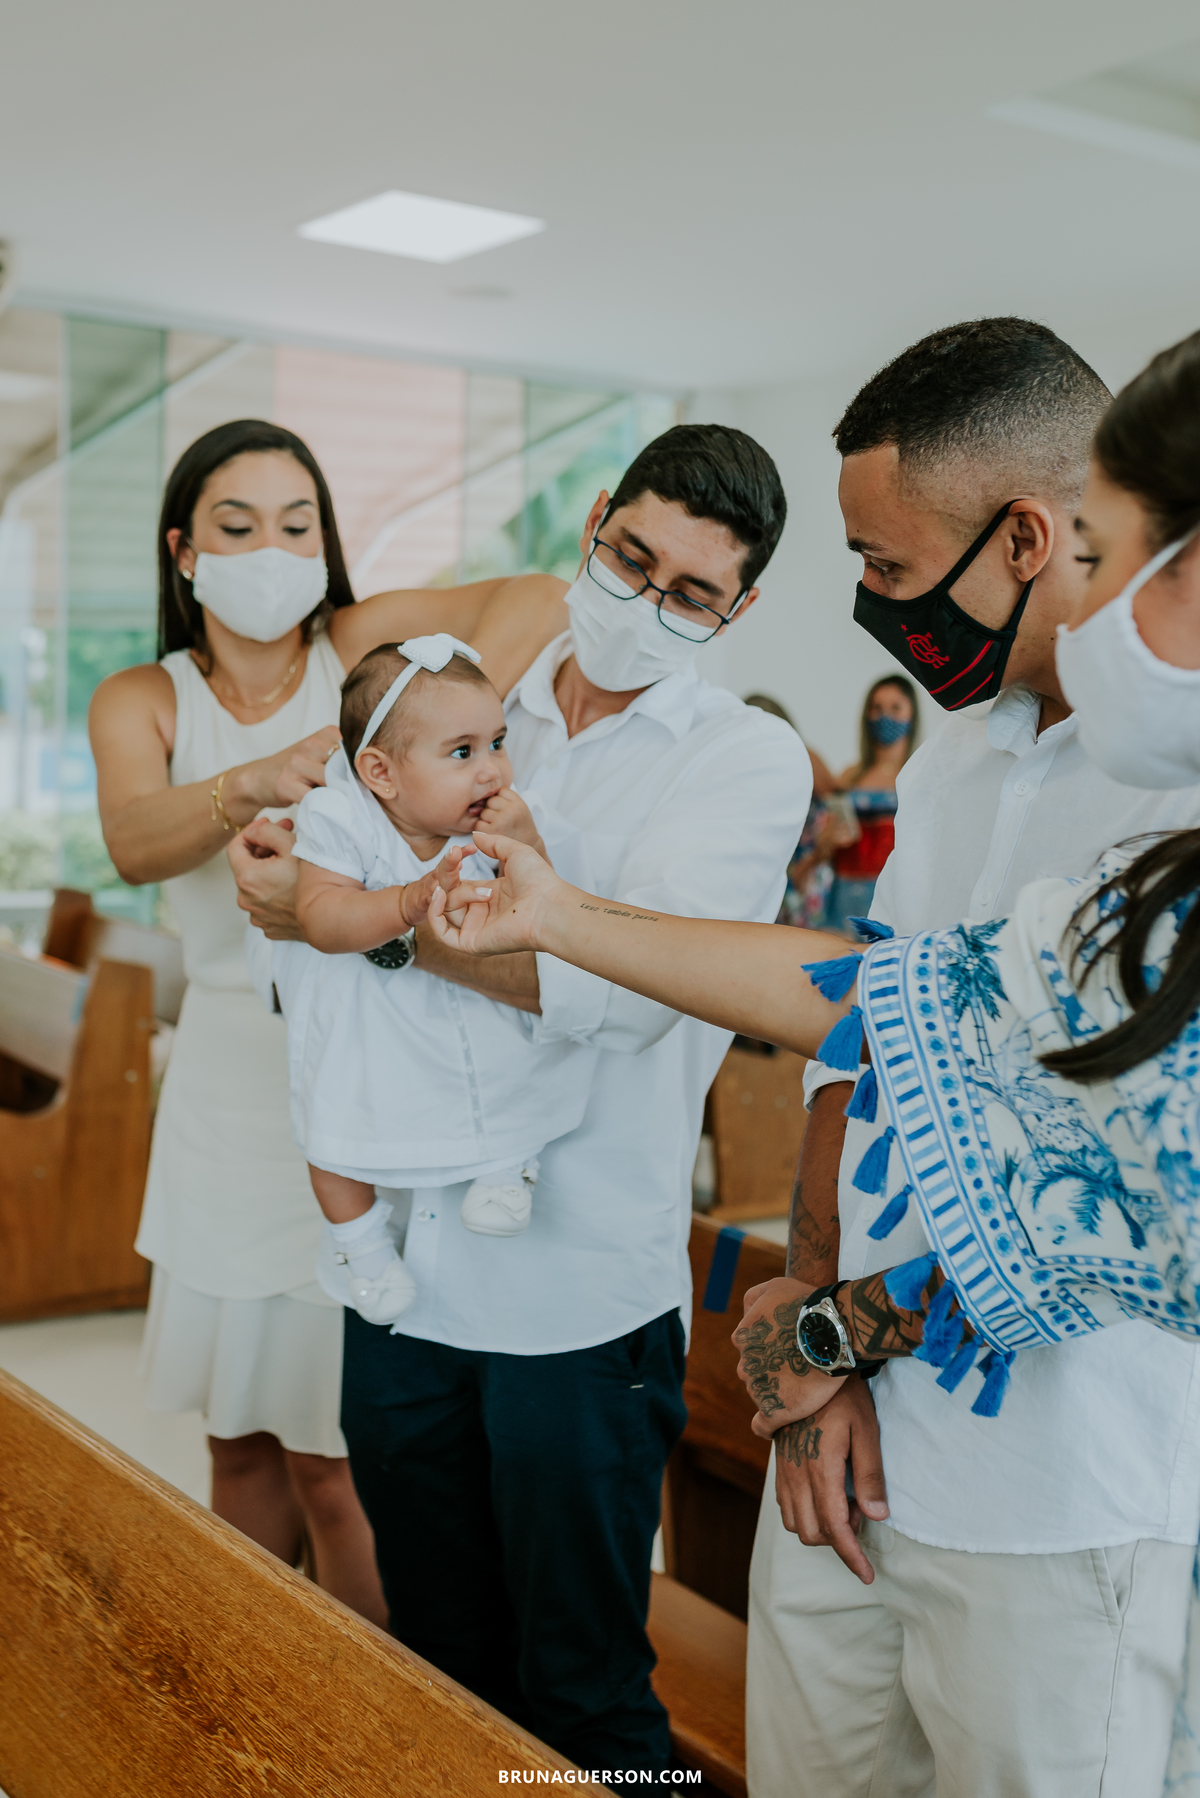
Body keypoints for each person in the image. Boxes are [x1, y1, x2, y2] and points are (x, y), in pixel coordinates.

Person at [430, 324, 1200, 1798]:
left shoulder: (1165, 798)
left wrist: (564, 915)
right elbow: (863, 1055)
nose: (874, 614)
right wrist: (808, 1313)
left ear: (1047, 538)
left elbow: (929, 1015)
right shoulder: (959, 751)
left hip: (1059, 1492)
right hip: (848, 1440)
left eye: (1118, 550)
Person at [231, 423, 809, 1776]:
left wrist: (353, 923)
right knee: (433, 1658)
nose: (646, 602)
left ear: (740, 610)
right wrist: (285, 872)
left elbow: (631, 993)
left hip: (578, 1293)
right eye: (631, 558)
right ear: (595, 520)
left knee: (584, 1689)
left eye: (691, 594)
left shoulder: (738, 760)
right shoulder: (469, 700)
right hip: (406, 1274)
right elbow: (323, 852)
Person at [89, 417, 565, 1617]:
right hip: (225, 1084)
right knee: (238, 1439)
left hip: (358, 1062)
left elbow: (542, 592)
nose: (274, 548)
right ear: (182, 550)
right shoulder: (144, 695)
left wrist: (400, 739)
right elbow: (135, 842)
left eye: (298, 523)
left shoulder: (359, 651)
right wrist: (250, 777)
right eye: (239, 526)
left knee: (338, 1456)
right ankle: (247, 1703)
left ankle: (374, 1726)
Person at [257, 633, 595, 1325]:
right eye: (463, 753)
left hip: (473, 1010)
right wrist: (404, 904)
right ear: (380, 773)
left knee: (516, 1065)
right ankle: (362, 1246)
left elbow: (552, 911)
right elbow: (320, 918)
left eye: (499, 743)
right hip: (368, 1026)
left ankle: (508, 1166)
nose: (494, 771)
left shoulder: (501, 820)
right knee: (335, 1124)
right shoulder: (340, 817)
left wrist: (527, 845)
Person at [819, 675, 918, 934]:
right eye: (877, 708)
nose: (885, 716)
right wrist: (829, 840)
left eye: (896, 708)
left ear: (912, 714)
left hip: (895, 899)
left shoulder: (920, 775)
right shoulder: (849, 776)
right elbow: (824, 847)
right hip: (843, 899)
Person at [743, 693, 837, 930]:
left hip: (805, 880)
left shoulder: (805, 760)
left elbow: (838, 807)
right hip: (767, 880)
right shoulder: (747, 772)